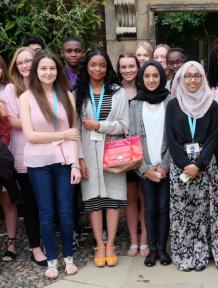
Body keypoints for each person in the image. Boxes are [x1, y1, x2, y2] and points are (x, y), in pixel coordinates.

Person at [19, 50, 82, 279]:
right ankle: (52, 261)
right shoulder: (26, 98)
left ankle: (68, 257)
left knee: (65, 212)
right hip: (38, 163)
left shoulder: (66, 95)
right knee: (46, 212)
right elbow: (30, 135)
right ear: (36, 70)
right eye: (43, 68)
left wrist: (75, 164)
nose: (48, 72)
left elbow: (74, 135)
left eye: (52, 68)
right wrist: (62, 133)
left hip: (64, 161)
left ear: (58, 70)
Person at [166, 61, 218, 271]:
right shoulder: (173, 105)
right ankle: (183, 254)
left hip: (205, 166)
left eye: (197, 76)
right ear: (181, 79)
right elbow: (171, 139)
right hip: (180, 167)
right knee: (182, 213)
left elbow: (213, 138)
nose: (192, 80)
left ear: (203, 79)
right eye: (188, 76)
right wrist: (185, 164)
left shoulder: (212, 105)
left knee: (202, 213)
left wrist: (198, 165)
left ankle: (201, 254)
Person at [74, 49, 129, 268]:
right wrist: (79, 158)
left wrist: (100, 125)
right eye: (93, 65)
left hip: (114, 151)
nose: (98, 69)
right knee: (93, 201)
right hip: (88, 151)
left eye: (102, 65)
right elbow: (75, 128)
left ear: (108, 68)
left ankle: (111, 244)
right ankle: (99, 244)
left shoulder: (117, 92)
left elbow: (125, 125)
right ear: (87, 66)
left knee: (113, 200)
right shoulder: (78, 93)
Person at [1, 47, 47, 266]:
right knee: (29, 203)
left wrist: (34, 125)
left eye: (29, 61)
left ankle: (46, 241)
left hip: (47, 153)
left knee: (45, 202)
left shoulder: (45, 84)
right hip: (23, 153)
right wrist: (39, 125)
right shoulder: (11, 89)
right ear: (15, 67)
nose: (25, 65)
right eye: (21, 63)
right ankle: (35, 247)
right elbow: (11, 121)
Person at [129, 60, 172, 267]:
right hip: (144, 167)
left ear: (161, 77)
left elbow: (174, 137)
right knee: (150, 208)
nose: (152, 79)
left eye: (156, 75)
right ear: (142, 79)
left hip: (165, 166)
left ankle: (163, 248)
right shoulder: (135, 104)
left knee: (164, 207)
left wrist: (164, 166)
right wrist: (145, 168)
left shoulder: (170, 101)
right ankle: (152, 249)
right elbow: (133, 139)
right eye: (147, 76)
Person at [116, 53, 150, 257]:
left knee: (145, 198)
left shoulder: (145, 89)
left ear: (138, 67)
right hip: (123, 151)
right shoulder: (115, 91)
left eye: (131, 66)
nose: (128, 70)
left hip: (144, 151)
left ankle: (145, 240)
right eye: (123, 67)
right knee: (130, 199)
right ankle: (133, 241)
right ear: (118, 69)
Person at [0, 55, 20, 264]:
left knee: (8, 201)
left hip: (4, 154)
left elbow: (9, 126)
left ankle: (12, 242)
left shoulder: (8, 90)